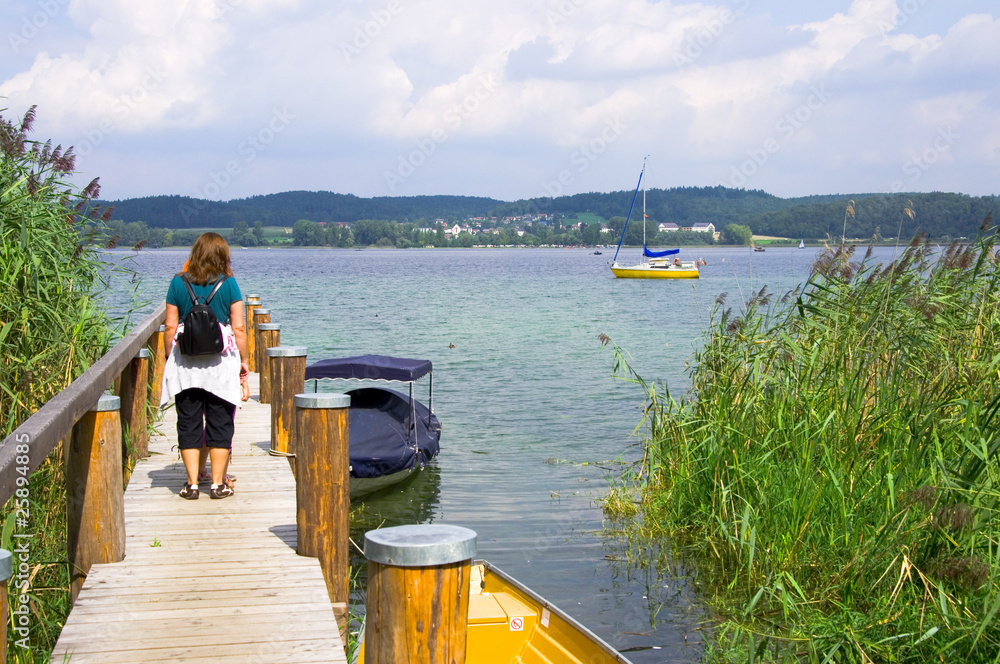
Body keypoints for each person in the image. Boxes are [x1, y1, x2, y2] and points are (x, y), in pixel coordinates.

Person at [160, 233, 248, 500]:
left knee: (188, 423)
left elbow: (170, 327)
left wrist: (169, 357)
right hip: (220, 365)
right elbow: (239, 328)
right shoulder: (229, 284)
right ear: (223, 255)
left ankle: (192, 484)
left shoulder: (177, 283)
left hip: (186, 365)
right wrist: (244, 362)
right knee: (220, 423)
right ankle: (218, 484)